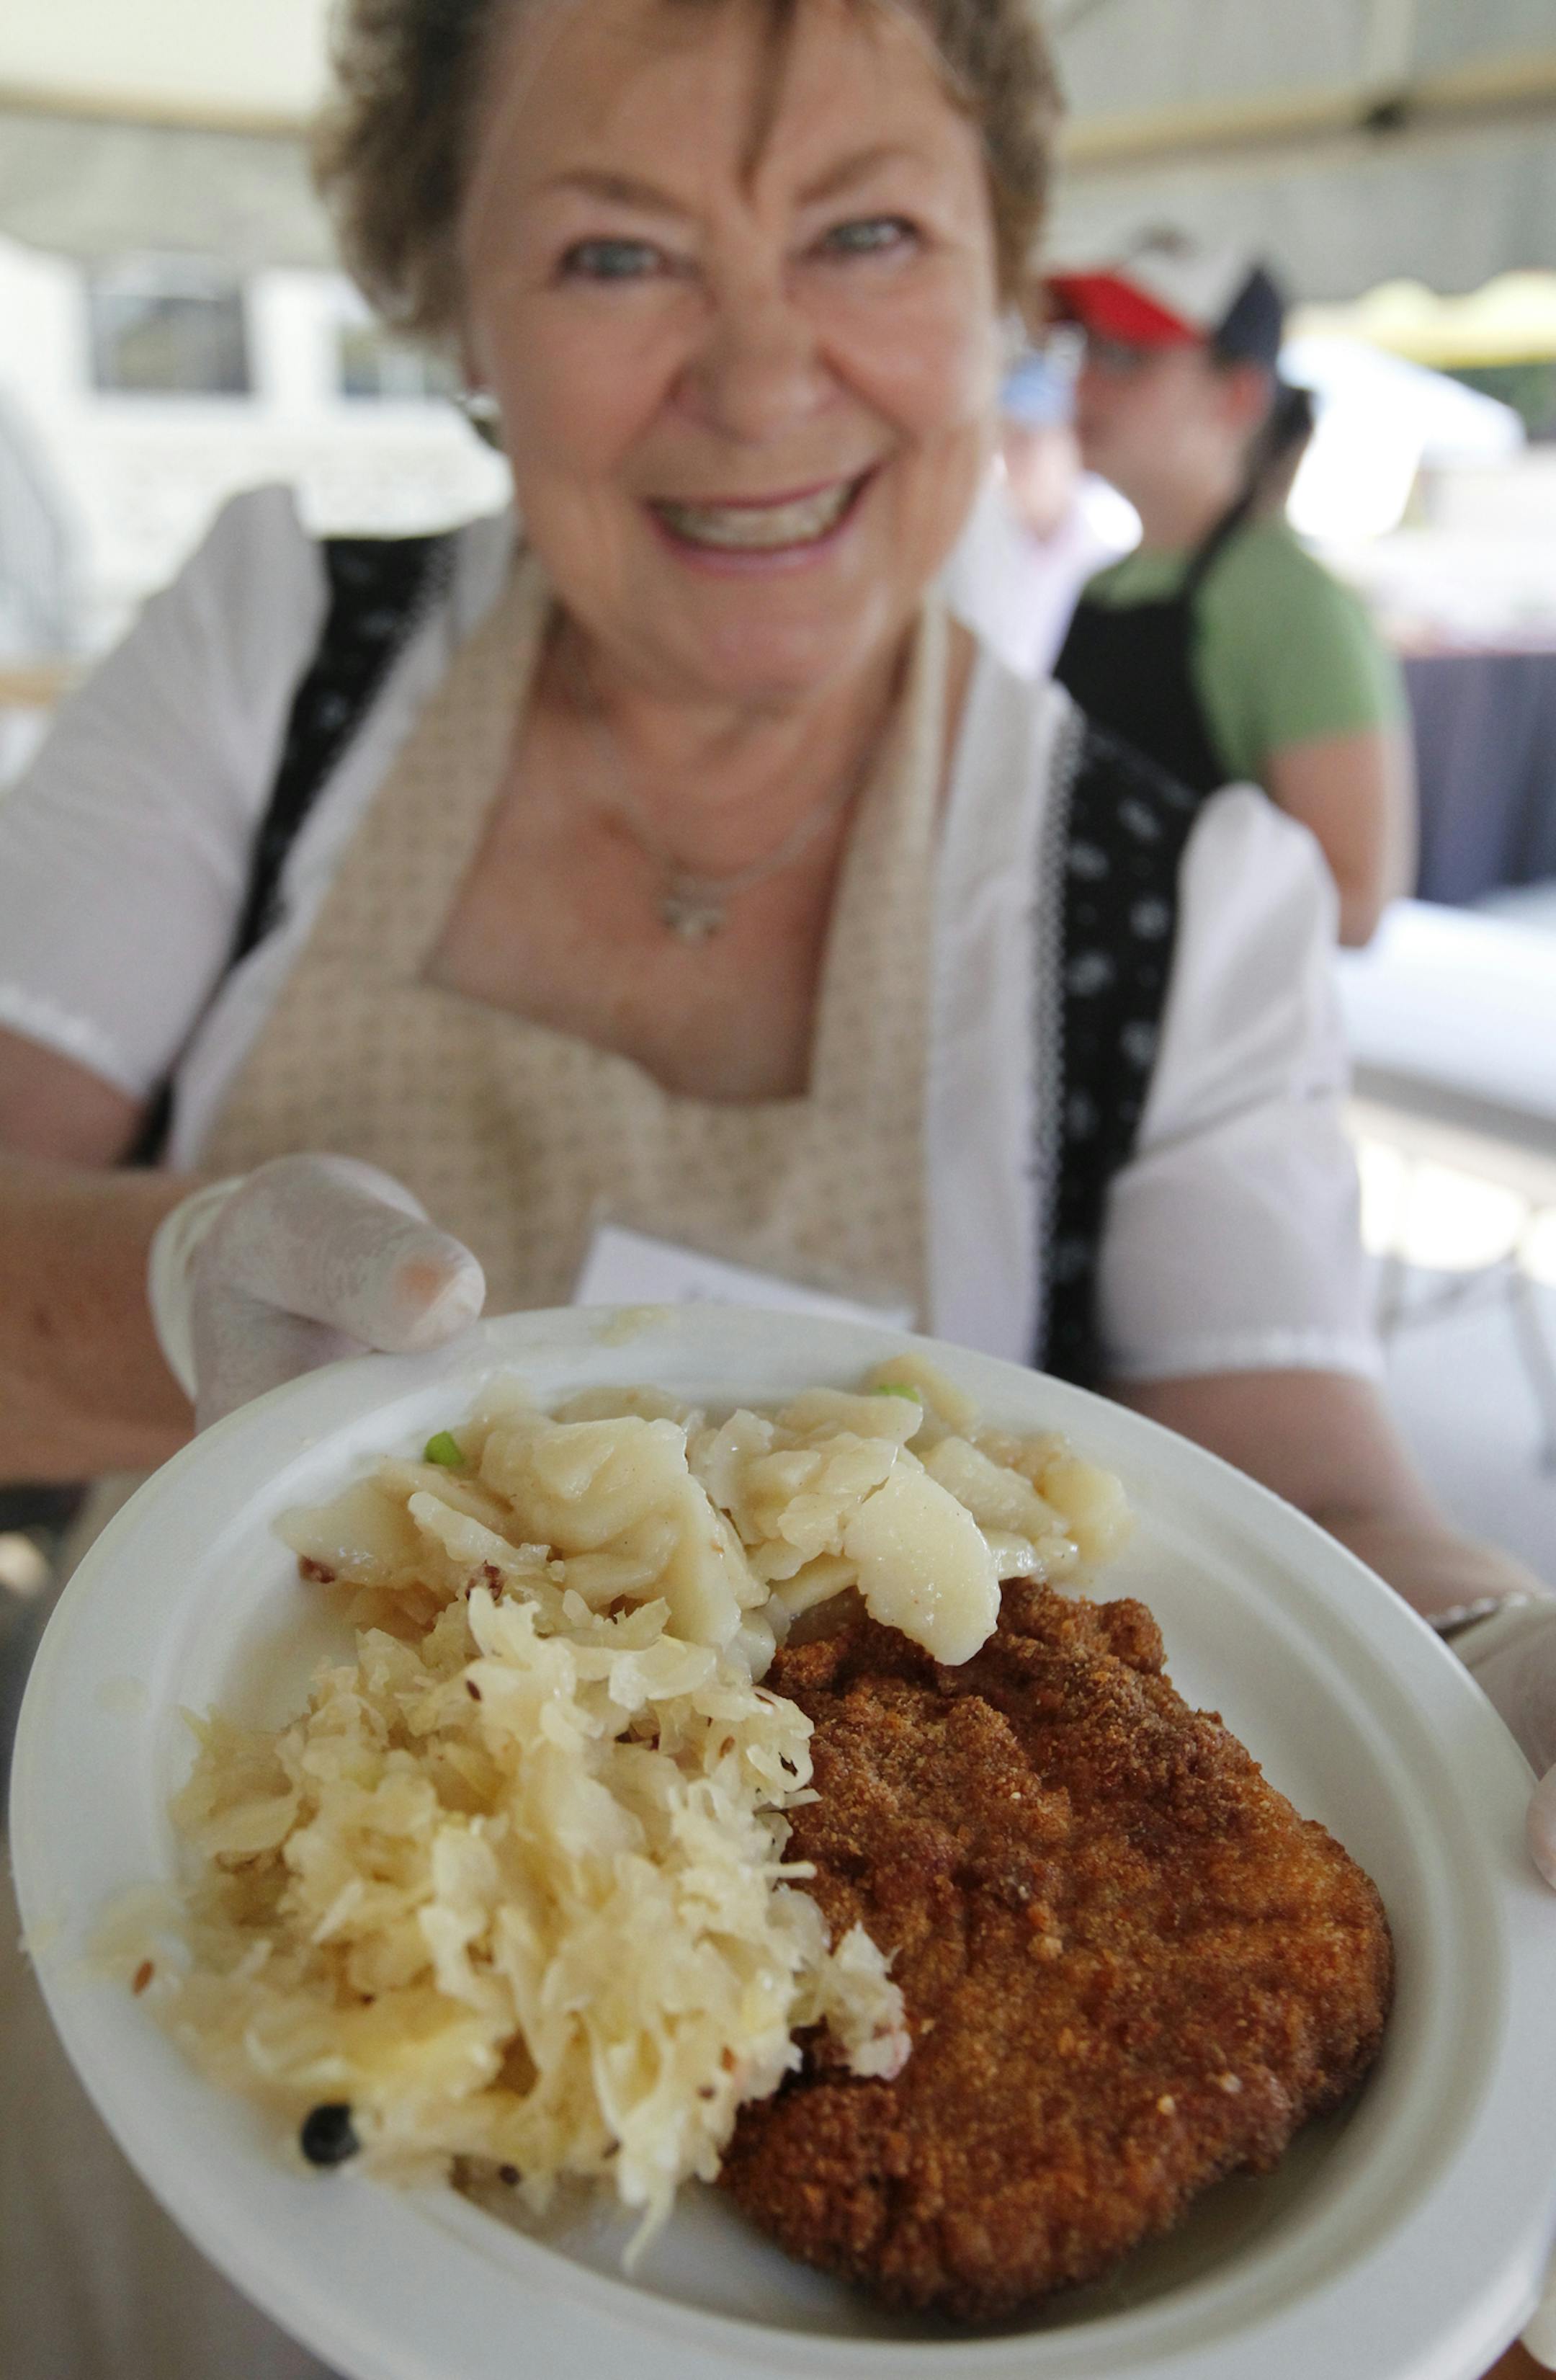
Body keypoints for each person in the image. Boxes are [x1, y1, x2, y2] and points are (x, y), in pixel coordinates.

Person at [0, 3, 1549, 2373]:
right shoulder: (264, 656)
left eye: (865, 233)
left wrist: (1501, 1678)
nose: (759, 380)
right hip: (153, 2019)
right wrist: (179, 1272)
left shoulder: (1177, 901)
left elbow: (1307, 1507)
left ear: (1001, 284)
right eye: (619, 254)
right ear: (456, 306)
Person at [1049, 231, 1416, 947]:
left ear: (1239, 395)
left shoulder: (1293, 605)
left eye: (1127, 357)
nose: (1084, 385)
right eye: (1085, 350)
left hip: (1211, 1044)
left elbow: (1356, 900)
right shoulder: (1103, 583)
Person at [941, 344, 1135, 678]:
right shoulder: (967, 535)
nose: (1010, 456)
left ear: (1070, 439)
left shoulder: (1114, 540)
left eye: (1027, 438)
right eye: (1001, 437)